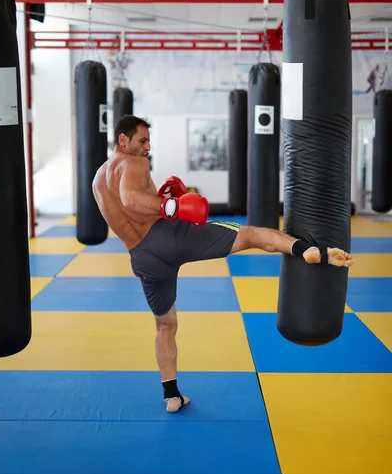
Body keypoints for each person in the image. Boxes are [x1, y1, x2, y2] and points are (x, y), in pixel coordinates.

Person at [93, 115, 354, 413]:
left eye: (149, 140)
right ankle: (310, 251)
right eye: (142, 140)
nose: (147, 146)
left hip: (142, 257)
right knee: (249, 235)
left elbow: (125, 208)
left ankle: (172, 395)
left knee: (165, 325)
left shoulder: (98, 180)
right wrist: (172, 205)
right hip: (168, 237)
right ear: (122, 140)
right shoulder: (133, 163)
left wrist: (161, 197)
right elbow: (130, 199)